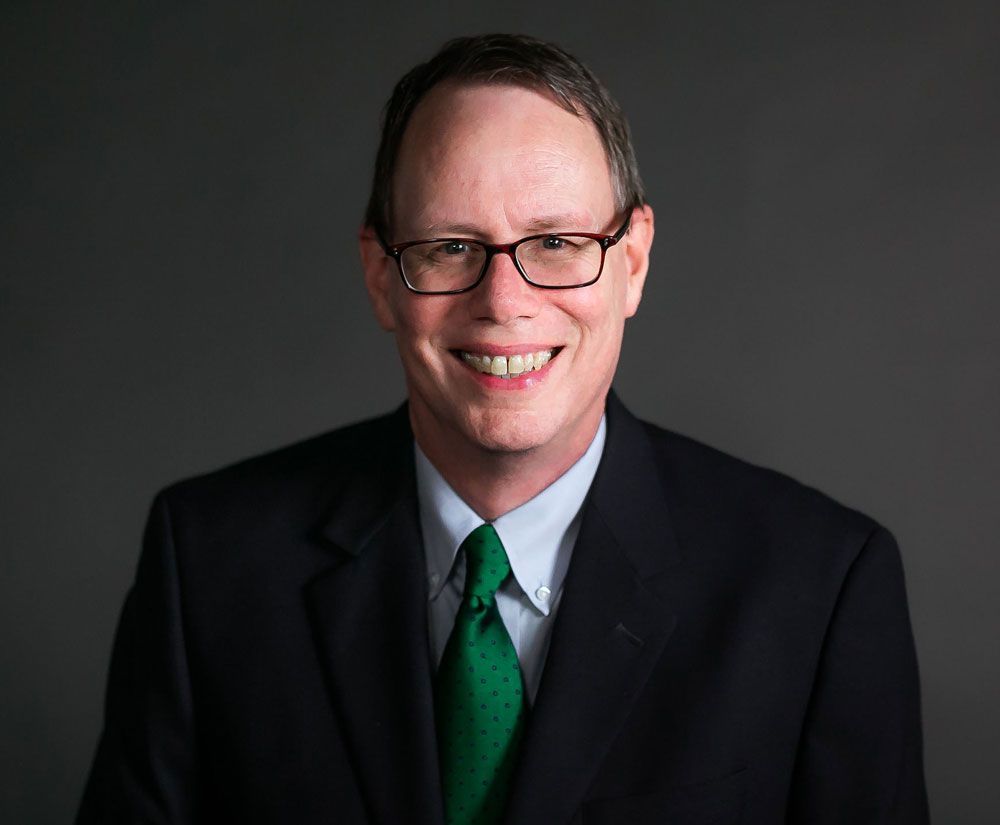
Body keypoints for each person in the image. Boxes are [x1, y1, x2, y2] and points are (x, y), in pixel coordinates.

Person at [77, 33, 929, 825]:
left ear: (631, 262)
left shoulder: (819, 586)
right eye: (451, 246)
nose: (505, 302)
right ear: (381, 275)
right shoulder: (211, 562)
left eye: (556, 241)